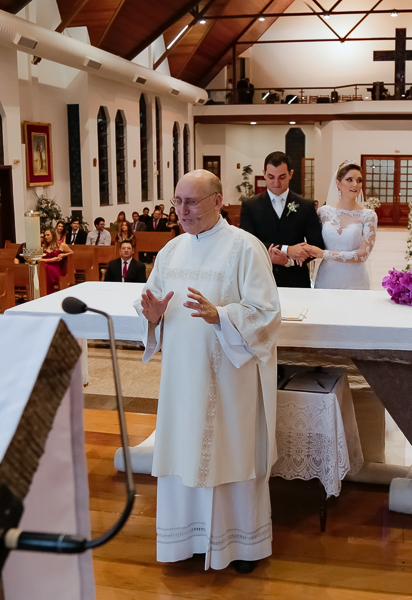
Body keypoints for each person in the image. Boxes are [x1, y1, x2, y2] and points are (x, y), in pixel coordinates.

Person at [134, 169, 281, 573]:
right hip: (182, 380)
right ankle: (188, 540)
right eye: (177, 201)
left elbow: (267, 314)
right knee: (184, 452)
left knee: (229, 454)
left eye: (192, 201)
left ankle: (240, 547)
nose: (182, 210)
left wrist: (224, 317)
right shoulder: (171, 251)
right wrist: (152, 316)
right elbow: (152, 301)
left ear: (218, 201)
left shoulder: (245, 249)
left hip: (228, 380)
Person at [240, 151, 324, 288]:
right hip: (260, 280)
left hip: (296, 281)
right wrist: (288, 250)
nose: (276, 183)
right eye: (271, 177)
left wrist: (289, 261)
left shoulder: (305, 205)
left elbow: (317, 245)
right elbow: (248, 243)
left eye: (282, 177)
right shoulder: (250, 206)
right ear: (264, 173)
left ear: (290, 174)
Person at [301, 161, 378, 290]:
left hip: (355, 280)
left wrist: (324, 254)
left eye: (359, 180)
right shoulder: (323, 212)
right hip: (327, 277)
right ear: (338, 183)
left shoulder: (368, 216)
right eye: (349, 180)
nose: (355, 185)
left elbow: (363, 255)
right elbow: (313, 242)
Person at [39, 227, 71, 292]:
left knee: (46, 268)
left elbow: (71, 253)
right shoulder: (43, 247)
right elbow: (39, 260)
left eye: (48, 235)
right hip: (45, 267)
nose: (46, 237)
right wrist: (52, 259)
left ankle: (47, 292)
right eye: (45, 235)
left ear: (53, 235)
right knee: (44, 268)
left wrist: (63, 255)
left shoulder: (61, 245)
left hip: (55, 269)